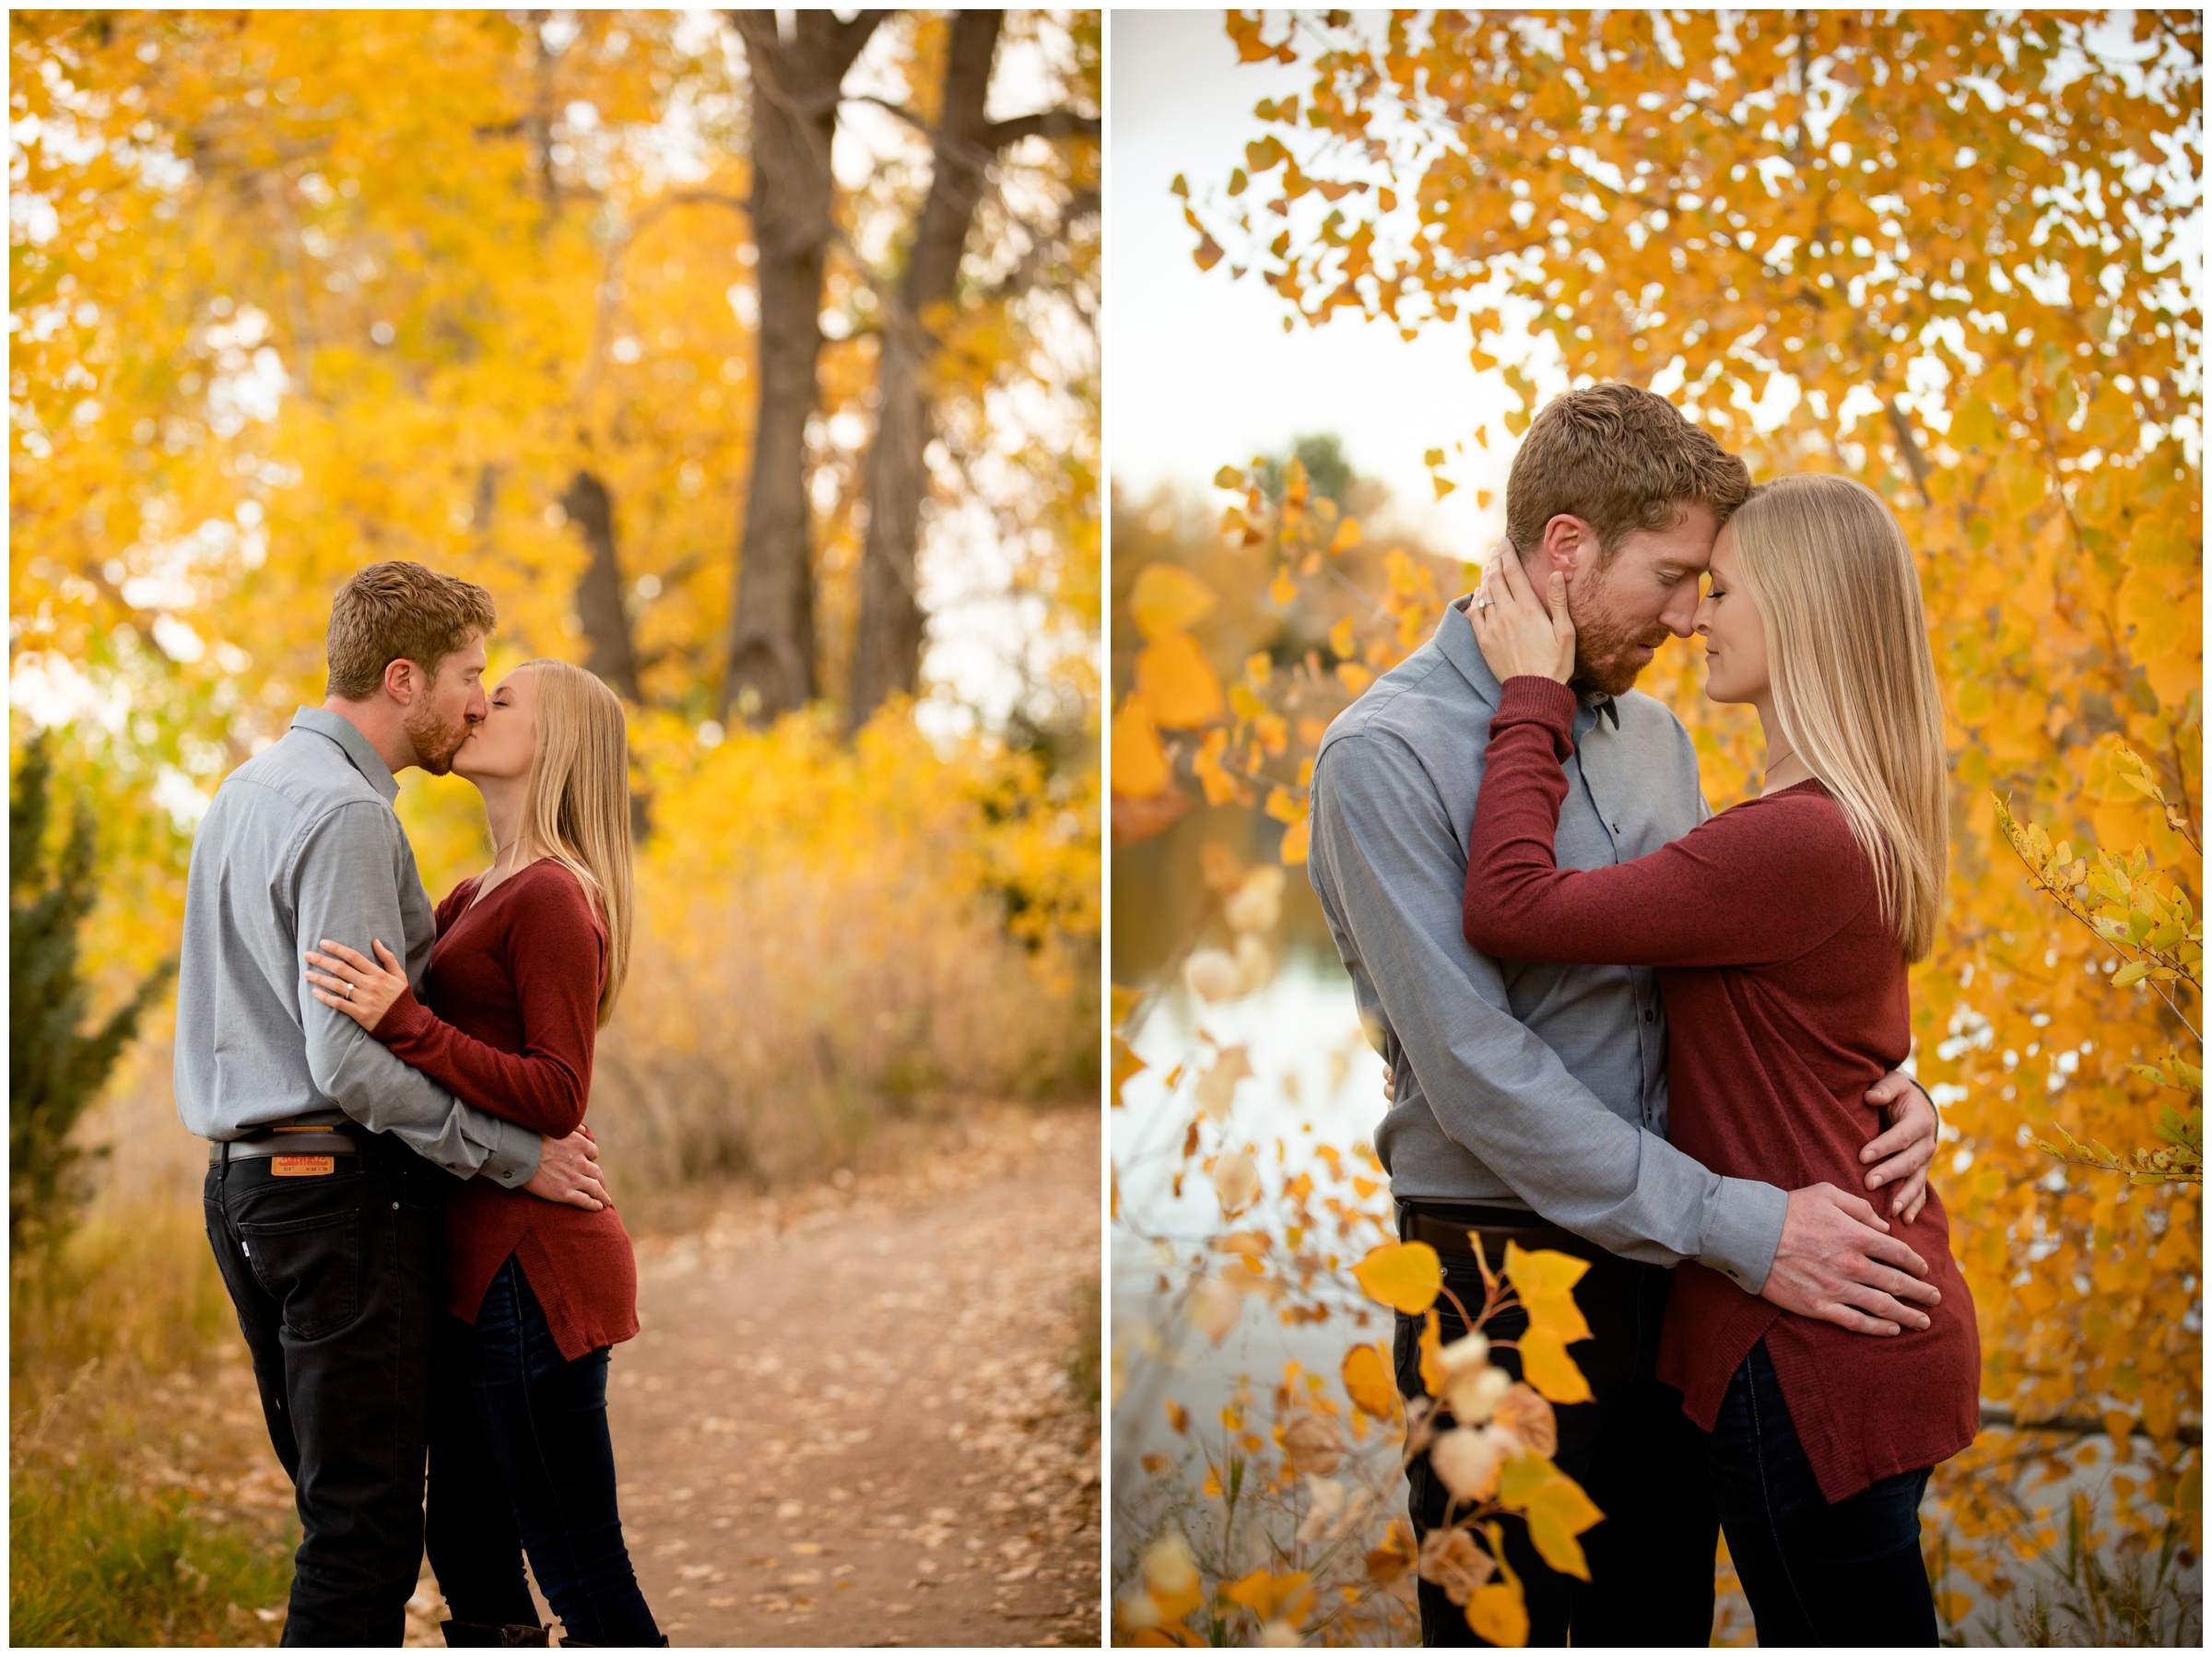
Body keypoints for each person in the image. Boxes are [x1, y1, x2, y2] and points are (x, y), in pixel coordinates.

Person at [1304, 384, 1945, 1647]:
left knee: (1658, 1625)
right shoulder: (1384, 753)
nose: (1686, 613)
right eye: (1669, 576)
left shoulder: (1655, 734)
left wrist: (1888, 1083)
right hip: (1499, 1276)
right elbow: (1482, 1072)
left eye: (1708, 586)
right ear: (1566, 549)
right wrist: (1740, 1221)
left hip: (1676, 1278)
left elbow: (1726, 972)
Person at [1460, 471, 1978, 1644]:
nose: (1695, 617)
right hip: (1858, 1320)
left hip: (1808, 1348)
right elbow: (1825, 1029)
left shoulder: (1786, 840)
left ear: (1796, 615)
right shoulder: (1841, 820)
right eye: (1690, 587)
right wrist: (1907, 1093)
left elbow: (1509, 907)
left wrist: (1532, 695)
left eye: (1723, 590)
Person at [177, 561, 609, 1647]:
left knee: (345, 1511)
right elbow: (352, 1062)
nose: (477, 698)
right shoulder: (350, 816)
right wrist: (516, 1156)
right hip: (335, 1199)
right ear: (404, 677)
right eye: (470, 675)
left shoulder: (248, 790)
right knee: (365, 1532)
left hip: (244, 1192)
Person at [306, 657, 662, 1649]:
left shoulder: (552, 894)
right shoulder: (475, 891)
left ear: (551, 746)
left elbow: (557, 1091)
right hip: (476, 1272)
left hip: (533, 1271)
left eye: (501, 700)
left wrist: (407, 1021)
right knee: (467, 1549)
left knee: (582, 1569)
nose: (476, 706)